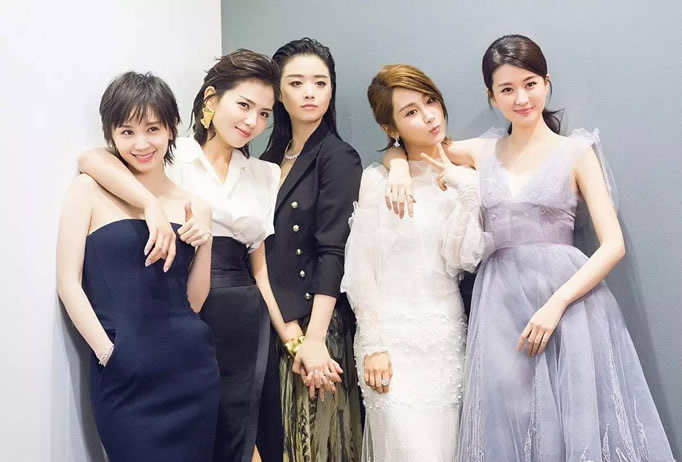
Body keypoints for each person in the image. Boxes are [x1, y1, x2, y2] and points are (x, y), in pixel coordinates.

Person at [381, 34, 675, 461]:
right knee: (509, 422)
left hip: (571, 305)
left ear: (546, 83)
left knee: (577, 420)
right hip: (500, 305)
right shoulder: (482, 151)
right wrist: (395, 168)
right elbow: (415, 149)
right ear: (491, 96)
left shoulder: (576, 152)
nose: (521, 98)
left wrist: (556, 305)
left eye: (530, 84)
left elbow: (613, 245)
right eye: (507, 89)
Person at [77, 50, 285, 462]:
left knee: (246, 440)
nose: (252, 121)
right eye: (244, 105)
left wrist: (288, 332)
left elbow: (258, 264)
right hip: (178, 318)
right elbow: (92, 159)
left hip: (238, 315)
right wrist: (150, 205)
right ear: (211, 99)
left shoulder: (266, 174)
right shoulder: (171, 152)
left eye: (264, 114)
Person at [57, 71, 219, 461]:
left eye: (153, 129)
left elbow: (194, 301)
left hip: (191, 370)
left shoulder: (194, 204)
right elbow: (67, 282)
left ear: (171, 129)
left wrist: (206, 240)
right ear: (111, 135)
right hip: (125, 375)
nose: (141, 143)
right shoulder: (89, 188)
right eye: (127, 132)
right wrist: (107, 353)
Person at [341, 64, 484, 461]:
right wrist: (374, 344)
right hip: (391, 342)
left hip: (444, 338)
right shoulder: (376, 180)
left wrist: (465, 192)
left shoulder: (466, 173)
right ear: (391, 128)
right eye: (411, 112)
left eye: (430, 101)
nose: (429, 116)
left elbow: (463, 260)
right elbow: (361, 269)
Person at [260, 37, 364, 461]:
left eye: (320, 83)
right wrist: (285, 331)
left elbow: (333, 250)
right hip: (273, 323)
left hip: (316, 325)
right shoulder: (267, 158)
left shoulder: (337, 156)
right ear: (278, 93)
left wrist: (315, 339)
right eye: (296, 82)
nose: (309, 92)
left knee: (315, 448)